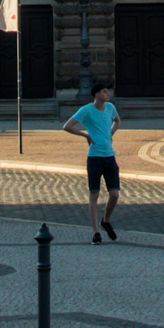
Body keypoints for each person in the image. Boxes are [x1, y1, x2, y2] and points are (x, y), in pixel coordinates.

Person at [62, 82, 121, 244]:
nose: (107, 94)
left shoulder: (110, 107)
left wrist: (111, 132)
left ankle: (106, 221)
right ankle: (96, 231)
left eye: (107, 91)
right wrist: (85, 136)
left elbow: (117, 121)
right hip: (94, 157)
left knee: (114, 194)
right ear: (97, 95)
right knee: (94, 193)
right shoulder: (87, 110)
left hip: (110, 156)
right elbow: (67, 126)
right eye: (104, 91)